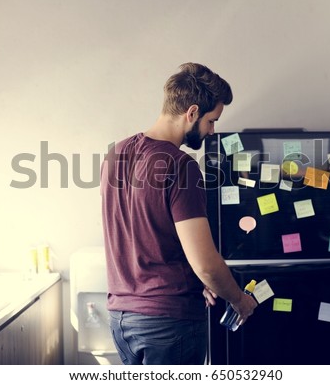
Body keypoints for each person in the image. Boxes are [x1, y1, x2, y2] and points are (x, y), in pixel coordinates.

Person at [100, 62, 257, 365]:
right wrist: (239, 300)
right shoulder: (180, 165)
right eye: (212, 121)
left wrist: (201, 280)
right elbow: (206, 263)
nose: (212, 131)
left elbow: (145, 235)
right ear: (192, 112)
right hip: (169, 323)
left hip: (122, 318)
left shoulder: (115, 154)